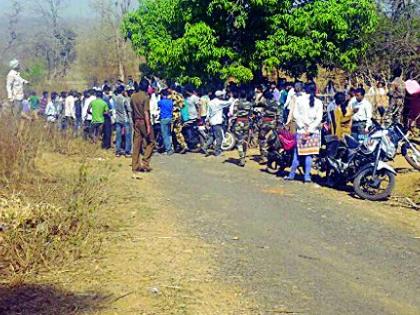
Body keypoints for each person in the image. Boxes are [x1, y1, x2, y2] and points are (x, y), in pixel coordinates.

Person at [286, 83, 323, 183]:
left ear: (305, 90)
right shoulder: (319, 102)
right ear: (315, 90)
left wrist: (303, 126)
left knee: (297, 154)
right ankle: (307, 176)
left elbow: (295, 114)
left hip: (301, 131)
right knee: (309, 155)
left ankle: (291, 175)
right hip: (313, 132)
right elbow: (319, 118)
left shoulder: (299, 100)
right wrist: (310, 128)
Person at [131, 79, 155, 175]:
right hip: (144, 122)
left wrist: (134, 122)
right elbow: (146, 112)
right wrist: (148, 126)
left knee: (137, 144)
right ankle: (145, 163)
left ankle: (135, 165)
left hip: (136, 121)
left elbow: (132, 111)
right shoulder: (146, 97)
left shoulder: (133, 96)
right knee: (151, 142)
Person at [203, 90, 232, 156]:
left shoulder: (210, 102)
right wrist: (231, 97)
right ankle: (217, 151)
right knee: (220, 137)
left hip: (212, 122)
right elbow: (229, 103)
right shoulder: (219, 102)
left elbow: (208, 112)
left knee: (213, 136)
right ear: (220, 96)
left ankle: (205, 147)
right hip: (217, 122)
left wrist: (206, 120)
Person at [231, 90, 253, 167]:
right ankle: (244, 155)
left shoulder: (237, 103)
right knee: (245, 140)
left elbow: (233, 113)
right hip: (246, 122)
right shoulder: (249, 103)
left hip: (238, 122)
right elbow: (251, 114)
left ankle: (242, 158)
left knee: (239, 141)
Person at [257, 90, 279, 163]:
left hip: (265, 123)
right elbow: (278, 113)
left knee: (261, 139)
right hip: (273, 123)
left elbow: (258, 110)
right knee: (271, 140)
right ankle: (271, 155)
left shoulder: (264, 102)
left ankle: (264, 157)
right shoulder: (275, 102)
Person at [113, 86, 132, 157]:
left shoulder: (115, 98)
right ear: (122, 91)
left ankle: (117, 151)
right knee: (128, 136)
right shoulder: (124, 99)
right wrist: (127, 98)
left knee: (118, 136)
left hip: (118, 119)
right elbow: (129, 109)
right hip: (125, 119)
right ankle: (127, 152)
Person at [168, 85, 188, 153]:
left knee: (170, 132)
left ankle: (172, 147)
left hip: (173, 115)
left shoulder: (171, 96)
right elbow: (183, 105)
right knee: (178, 131)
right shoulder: (180, 95)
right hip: (179, 115)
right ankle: (183, 145)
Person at [158, 89, 175, 155]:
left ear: (162, 94)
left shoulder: (160, 102)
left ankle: (168, 150)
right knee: (169, 134)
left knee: (165, 135)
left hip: (163, 119)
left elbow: (158, 107)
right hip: (170, 119)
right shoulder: (170, 102)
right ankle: (171, 147)